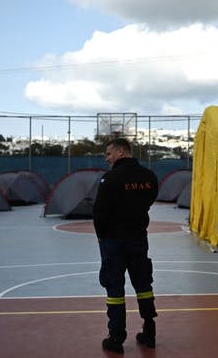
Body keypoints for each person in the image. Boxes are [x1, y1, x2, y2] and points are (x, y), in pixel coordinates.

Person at [93, 138, 159, 354]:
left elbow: (99, 213)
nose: (106, 158)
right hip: (139, 239)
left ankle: (116, 337)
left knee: (114, 288)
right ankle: (150, 330)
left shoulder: (110, 179)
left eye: (109, 153)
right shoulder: (149, 177)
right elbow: (149, 200)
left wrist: (101, 237)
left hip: (114, 241)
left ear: (121, 152)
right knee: (143, 285)